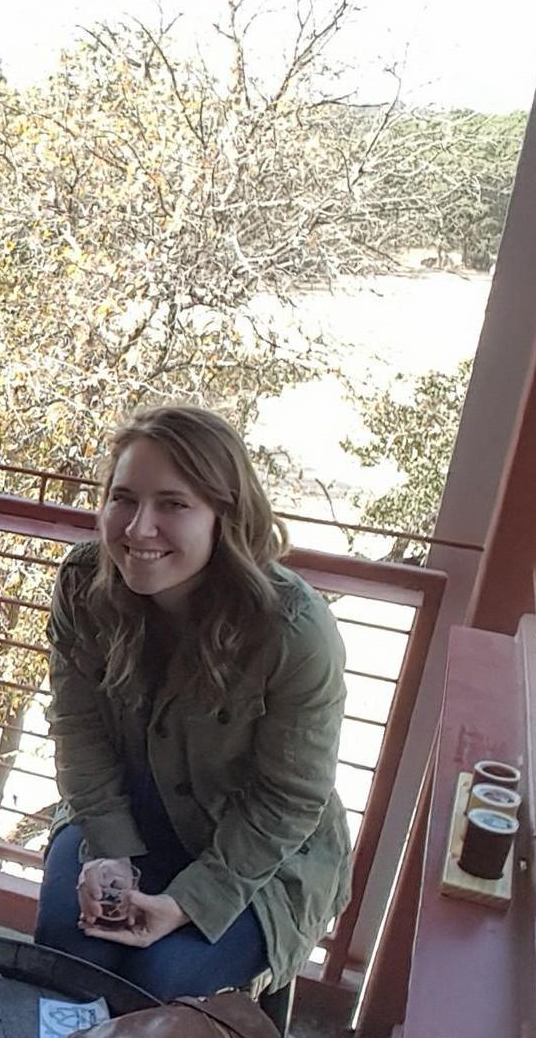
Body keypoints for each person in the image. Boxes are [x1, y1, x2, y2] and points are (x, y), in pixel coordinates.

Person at [35, 404, 351, 999]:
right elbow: (78, 729)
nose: (138, 528)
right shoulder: (85, 584)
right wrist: (107, 851)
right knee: (68, 955)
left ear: (223, 517)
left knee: (162, 983)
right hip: (122, 810)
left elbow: (289, 800)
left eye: (173, 504)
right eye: (124, 498)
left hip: (257, 855)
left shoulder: (291, 630)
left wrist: (187, 902)